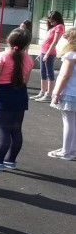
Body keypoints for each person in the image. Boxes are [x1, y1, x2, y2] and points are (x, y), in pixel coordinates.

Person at [0, 28, 34, 171]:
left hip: (3, 93)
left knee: (3, 129)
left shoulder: (2, 56)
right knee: (16, 130)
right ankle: (11, 160)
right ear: (27, 44)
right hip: (20, 93)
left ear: (8, 40)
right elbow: (26, 80)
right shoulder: (28, 58)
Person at [49, 28, 76, 160]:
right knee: (73, 123)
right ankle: (72, 149)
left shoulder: (70, 55)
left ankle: (66, 151)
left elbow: (65, 76)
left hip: (69, 92)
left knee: (68, 122)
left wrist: (57, 92)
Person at [32, 10, 65, 103]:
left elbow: (55, 41)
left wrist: (47, 54)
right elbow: (47, 41)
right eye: (50, 20)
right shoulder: (53, 27)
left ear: (57, 19)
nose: (50, 22)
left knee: (49, 73)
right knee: (43, 73)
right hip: (44, 52)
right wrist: (41, 53)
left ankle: (49, 94)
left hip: (49, 54)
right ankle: (42, 92)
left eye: (52, 21)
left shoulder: (59, 27)